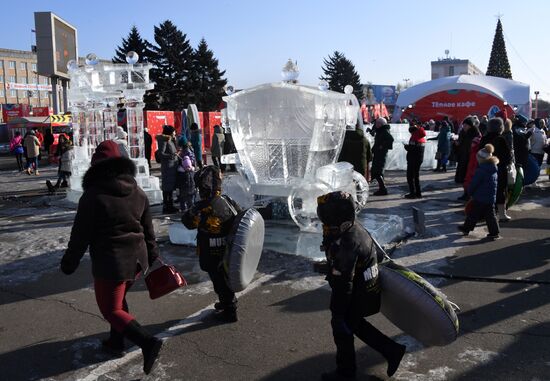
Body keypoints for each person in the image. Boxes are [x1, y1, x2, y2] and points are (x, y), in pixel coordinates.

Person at [60, 140, 162, 375]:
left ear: (96, 166)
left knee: (111, 309)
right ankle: (116, 341)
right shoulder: (136, 189)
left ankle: (148, 342)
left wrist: (69, 262)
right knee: (119, 301)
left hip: (112, 262)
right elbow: (148, 228)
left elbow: (80, 235)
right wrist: (153, 253)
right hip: (137, 260)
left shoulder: (93, 195)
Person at [317, 191, 406, 381]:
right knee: (355, 324)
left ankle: (345, 373)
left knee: (342, 329)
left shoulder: (346, 242)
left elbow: (344, 283)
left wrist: (338, 310)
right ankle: (392, 351)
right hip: (366, 288)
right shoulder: (355, 229)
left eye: (326, 217)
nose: (324, 222)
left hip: (356, 293)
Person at [181, 166, 242, 322]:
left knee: (219, 281)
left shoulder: (202, 206)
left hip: (210, 253)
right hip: (228, 251)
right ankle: (226, 302)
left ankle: (230, 310)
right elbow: (241, 218)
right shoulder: (227, 201)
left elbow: (188, 222)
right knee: (224, 279)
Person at [458, 144, 501, 240]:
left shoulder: (481, 170)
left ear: (481, 159)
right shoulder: (493, 169)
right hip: (490, 197)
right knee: (491, 216)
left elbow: (474, 183)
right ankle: (495, 232)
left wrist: (469, 191)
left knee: (473, 214)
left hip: (480, 197)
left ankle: (466, 228)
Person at [479, 117, 513, 222]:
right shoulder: (501, 139)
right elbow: (508, 157)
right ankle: (502, 215)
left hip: (484, 169)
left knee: (485, 191)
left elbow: (479, 154)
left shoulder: (484, 139)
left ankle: (484, 214)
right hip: (499, 170)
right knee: (500, 191)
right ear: (500, 127)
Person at [455, 117, 481, 200]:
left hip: (471, 157)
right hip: (463, 156)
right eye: (463, 125)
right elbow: (461, 142)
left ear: (470, 126)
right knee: (464, 177)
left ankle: (470, 195)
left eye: (465, 125)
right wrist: (457, 143)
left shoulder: (475, 133)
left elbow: (477, 145)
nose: (464, 127)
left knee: (470, 177)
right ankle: (466, 194)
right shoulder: (463, 132)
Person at [156, 125, 179, 214]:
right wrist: (172, 156)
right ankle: (167, 207)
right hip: (168, 167)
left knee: (170, 187)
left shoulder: (170, 139)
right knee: (167, 188)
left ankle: (170, 205)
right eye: (174, 131)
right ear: (170, 132)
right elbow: (161, 154)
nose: (175, 133)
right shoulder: (164, 140)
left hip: (171, 167)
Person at [370, 117, 393, 196]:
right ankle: (381, 189)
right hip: (378, 153)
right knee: (377, 171)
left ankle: (383, 189)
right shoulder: (380, 131)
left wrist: (382, 146)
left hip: (381, 154)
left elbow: (391, 139)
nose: (376, 125)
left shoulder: (384, 131)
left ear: (381, 124)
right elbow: (377, 143)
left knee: (378, 171)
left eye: (377, 123)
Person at [404, 122, 426, 198]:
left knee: (410, 176)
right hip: (419, 159)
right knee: (416, 176)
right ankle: (418, 193)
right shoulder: (421, 137)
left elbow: (412, 149)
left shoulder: (414, 137)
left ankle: (412, 193)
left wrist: (406, 147)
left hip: (413, 159)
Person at [176, 139, 196, 212]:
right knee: (190, 194)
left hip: (185, 178)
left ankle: (184, 207)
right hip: (190, 178)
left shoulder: (186, 152)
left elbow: (188, 161)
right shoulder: (188, 150)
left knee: (184, 195)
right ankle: (190, 207)